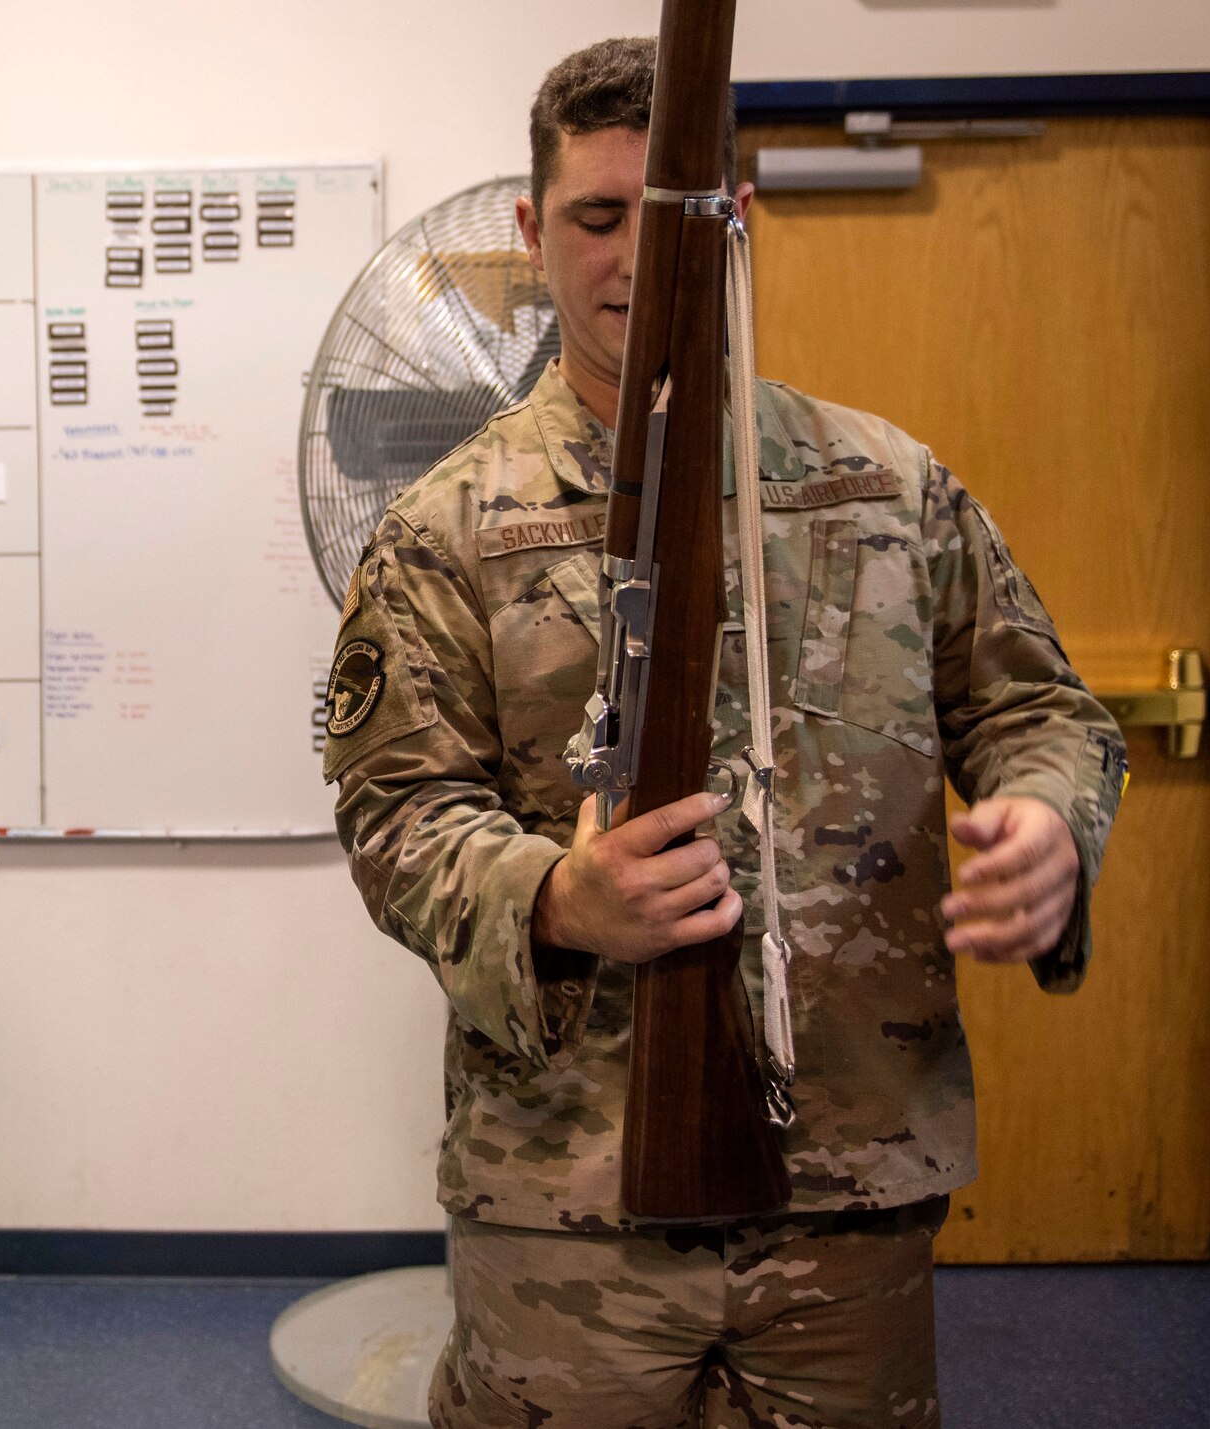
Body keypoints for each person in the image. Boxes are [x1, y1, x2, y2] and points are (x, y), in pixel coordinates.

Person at [323, 38, 1125, 1429]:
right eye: (596, 216)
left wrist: (1052, 822)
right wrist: (554, 896)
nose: (639, 255)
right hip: (570, 1199)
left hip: (848, 1185)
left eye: (680, 212)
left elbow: (1037, 708)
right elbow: (397, 817)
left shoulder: (886, 487)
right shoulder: (449, 530)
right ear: (532, 232)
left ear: (739, 218)